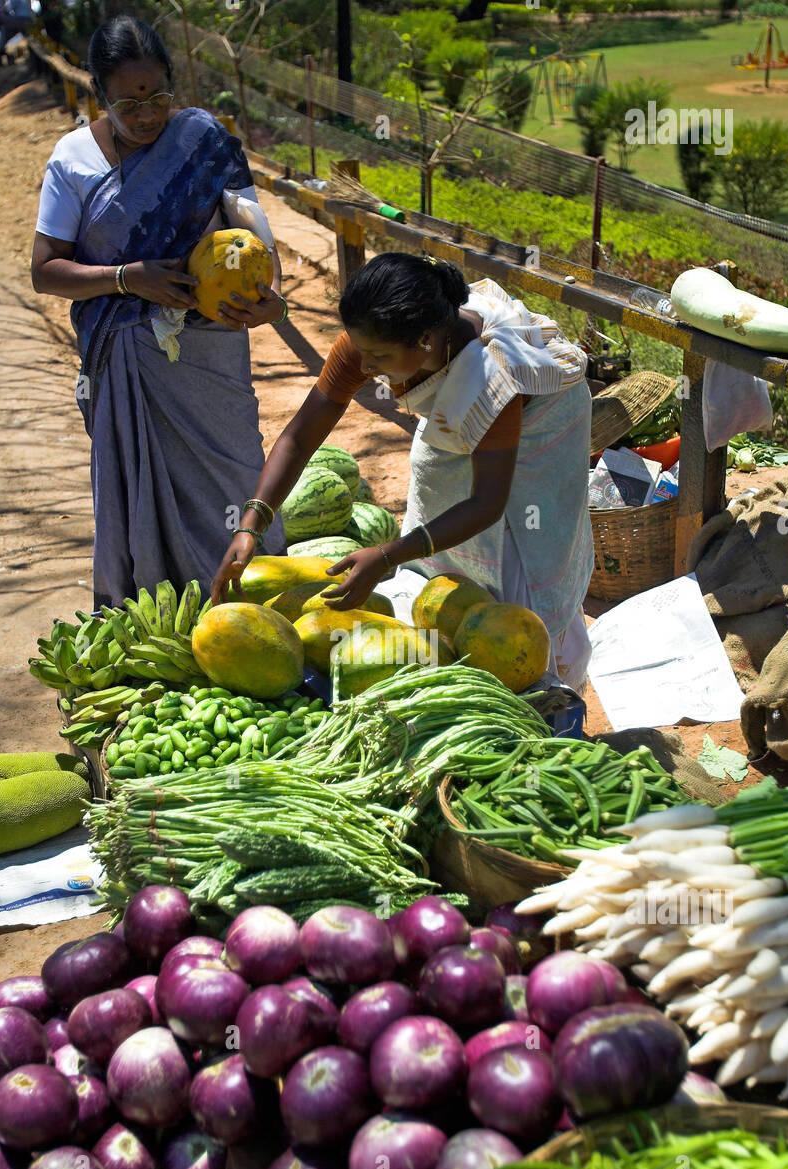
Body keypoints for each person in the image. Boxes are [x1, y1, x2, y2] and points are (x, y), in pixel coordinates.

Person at [211, 253, 594, 692]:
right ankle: (453, 628)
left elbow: (488, 503)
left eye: (379, 357)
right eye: (362, 351)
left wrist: (389, 554)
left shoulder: (492, 376)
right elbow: (300, 436)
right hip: (470, 408)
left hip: (544, 424)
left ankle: (546, 680)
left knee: (523, 542)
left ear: (427, 341)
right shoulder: (374, 341)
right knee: (436, 487)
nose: (367, 367)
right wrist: (251, 523)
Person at [31, 15, 287, 608]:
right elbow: (45, 272)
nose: (147, 116)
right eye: (129, 103)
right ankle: (155, 609)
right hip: (125, 359)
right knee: (139, 489)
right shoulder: (72, 161)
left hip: (211, 354)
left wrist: (269, 298)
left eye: (158, 98)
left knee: (235, 475)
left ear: (172, 87)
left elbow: (253, 242)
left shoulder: (205, 143)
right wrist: (128, 279)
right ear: (99, 93)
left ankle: (254, 610)